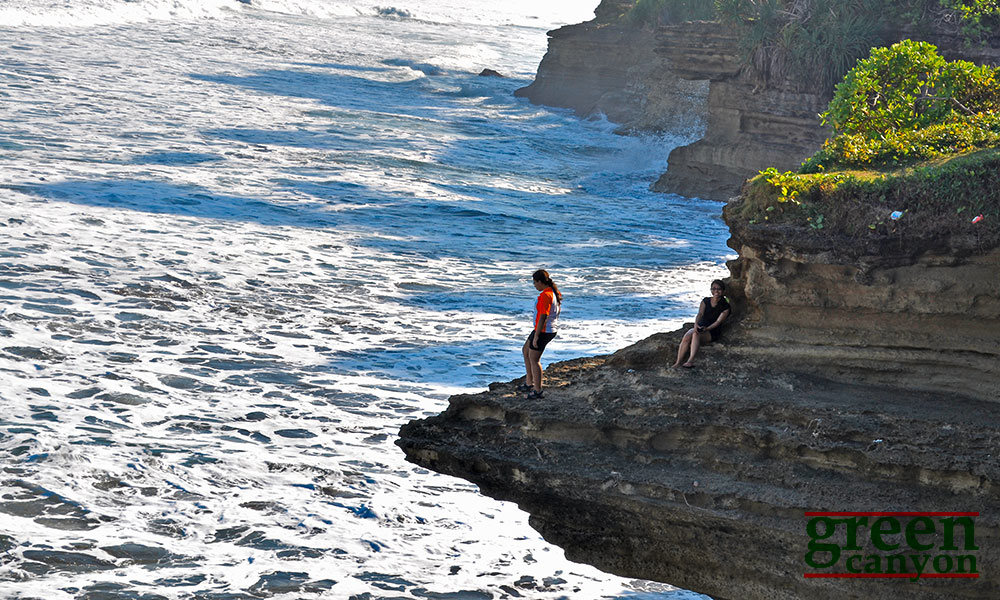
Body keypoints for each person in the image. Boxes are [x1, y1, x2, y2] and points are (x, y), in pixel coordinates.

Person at [521, 269, 562, 399]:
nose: (534, 285)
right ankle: (529, 383)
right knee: (526, 350)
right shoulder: (551, 291)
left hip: (544, 331)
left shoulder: (546, 295)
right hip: (543, 329)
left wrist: (537, 336)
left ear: (540, 282)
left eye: (534, 283)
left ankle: (537, 390)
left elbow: (543, 316)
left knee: (534, 359)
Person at [673, 280, 730, 368]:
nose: (716, 291)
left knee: (696, 334)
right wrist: (696, 325)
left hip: (712, 331)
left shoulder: (725, 306)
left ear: (723, 291)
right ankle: (678, 362)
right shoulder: (705, 301)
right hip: (701, 326)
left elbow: (718, 322)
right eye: (714, 289)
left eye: (719, 289)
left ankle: (690, 360)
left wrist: (707, 329)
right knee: (687, 335)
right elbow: (700, 314)